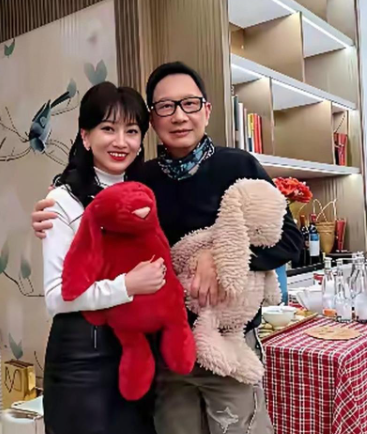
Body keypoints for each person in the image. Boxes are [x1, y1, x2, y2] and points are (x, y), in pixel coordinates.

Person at [32, 63, 303, 434]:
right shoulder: (142, 179)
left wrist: (222, 258)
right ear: (154, 119)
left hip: (228, 345)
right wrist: (57, 203)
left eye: (189, 104)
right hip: (164, 353)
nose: (178, 116)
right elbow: (98, 216)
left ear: (207, 110)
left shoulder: (238, 165)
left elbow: (290, 241)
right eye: (165, 106)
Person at [41, 81, 162, 434]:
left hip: (138, 354)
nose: (121, 141)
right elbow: (56, 297)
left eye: (132, 131)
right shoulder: (63, 200)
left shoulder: (145, 195)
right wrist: (128, 285)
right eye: (108, 128)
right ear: (85, 136)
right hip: (84, 360)